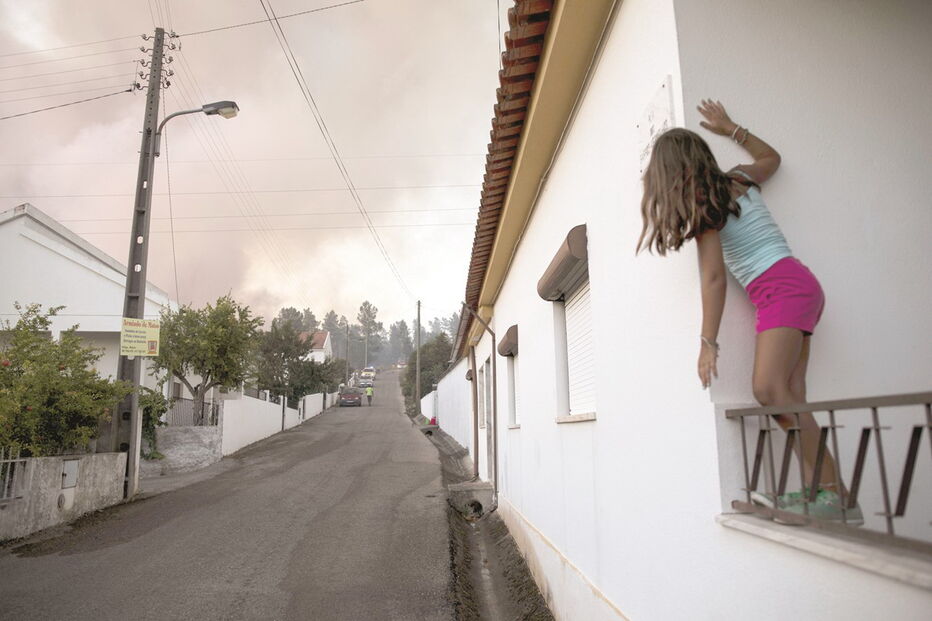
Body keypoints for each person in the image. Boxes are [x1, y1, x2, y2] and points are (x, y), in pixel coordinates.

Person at [637, 100, 861, 524]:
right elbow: (771, 159)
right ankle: (820, 492)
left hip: (782, 290)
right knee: (790, 396)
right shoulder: (739, 179)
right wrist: (731, 129)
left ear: (674, 173)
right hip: (799, 284)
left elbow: (714, 280)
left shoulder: (707, 212)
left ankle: (837, 495)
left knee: (768, 391)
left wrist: (708, 343)